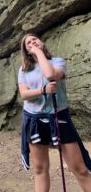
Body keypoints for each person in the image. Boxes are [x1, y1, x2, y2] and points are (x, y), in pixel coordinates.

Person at [17, 33, 91, 192]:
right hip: (34, 119)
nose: (33, 42)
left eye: (34, 39)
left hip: (58, 117)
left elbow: (50, 74)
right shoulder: (23, 70)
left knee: (80, 168)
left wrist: (38, 52)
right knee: (40, 169)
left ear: (41, 42)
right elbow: (24, 95)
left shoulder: (57, 62)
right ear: (26, 51)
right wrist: (43, 90)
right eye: (28, 43)